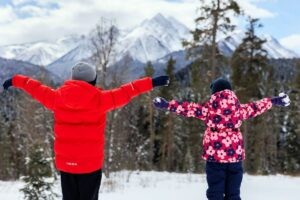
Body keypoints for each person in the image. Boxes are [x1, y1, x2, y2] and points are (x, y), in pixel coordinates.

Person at [2, 62, 170, 200]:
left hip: (66, 166)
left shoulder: (56, 98)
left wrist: (16, 80)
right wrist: (152, 82)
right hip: (90, 166)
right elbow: (128, 91)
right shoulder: (101, 100)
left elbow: (35, 87)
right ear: (93, 81)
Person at [153, 77, 290, 200]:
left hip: (215, 158)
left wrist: (167, 105)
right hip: (235, 157)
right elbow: (257, 106)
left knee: (215, 193)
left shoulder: (208, 110)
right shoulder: (239, 110)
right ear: (230, 92)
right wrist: (275, 101)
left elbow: (187, 108)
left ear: (214, 93)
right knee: (233, 194)